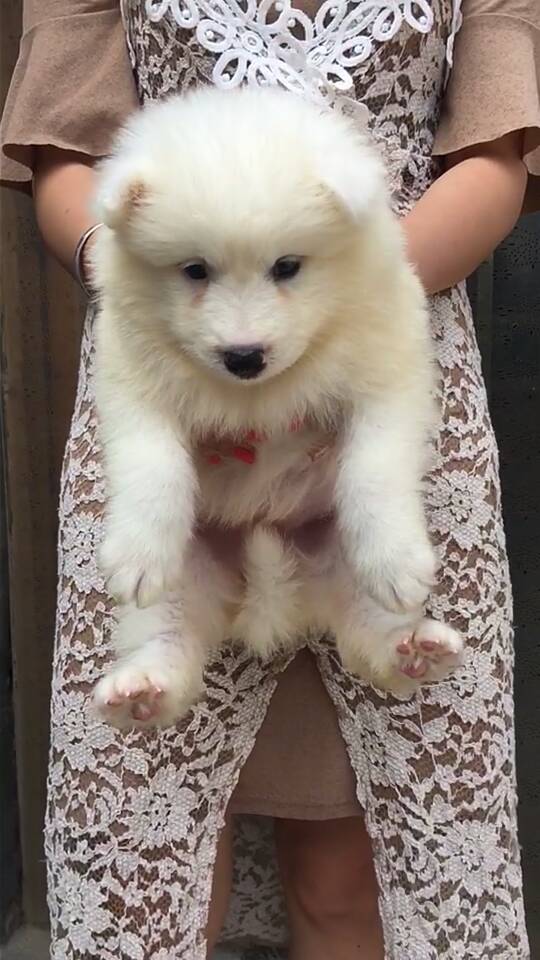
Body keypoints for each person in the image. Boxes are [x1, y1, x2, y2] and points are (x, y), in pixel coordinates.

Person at [1, 1, 539, 957]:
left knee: (349, 869)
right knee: (145, 868)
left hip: (378, 381)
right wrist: (136, 279)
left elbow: (496, 154)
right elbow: (67, 158)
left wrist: (342, 323)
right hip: (169, 403)